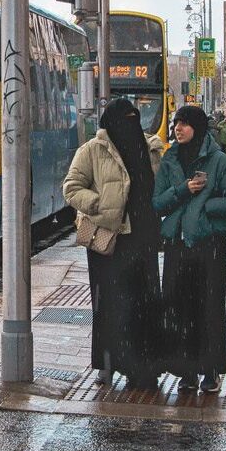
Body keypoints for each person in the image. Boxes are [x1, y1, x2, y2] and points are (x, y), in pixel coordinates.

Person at [63, 99, 165, 389]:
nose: (129, 125)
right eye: (123, 119)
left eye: (134, 118)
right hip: (108, 240)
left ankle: (142, 364)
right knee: (109, 305)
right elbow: (71, 188)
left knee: (142, 303)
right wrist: (98, 205)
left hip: (143, 239)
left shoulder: (150, 149)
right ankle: (107, 364)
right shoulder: (92, 151)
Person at [153, 106, 226, 394]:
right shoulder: (170, 159)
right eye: (176, 124)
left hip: (209, 246)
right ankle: (186, 371)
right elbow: (157, 203)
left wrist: (207, 208)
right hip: (176, 245)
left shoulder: (218, 161)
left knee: (208, 308)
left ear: (198, 127)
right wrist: (183, 189)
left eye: (184, 124)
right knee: (178, 308)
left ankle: (210, 369)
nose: (178, 129)